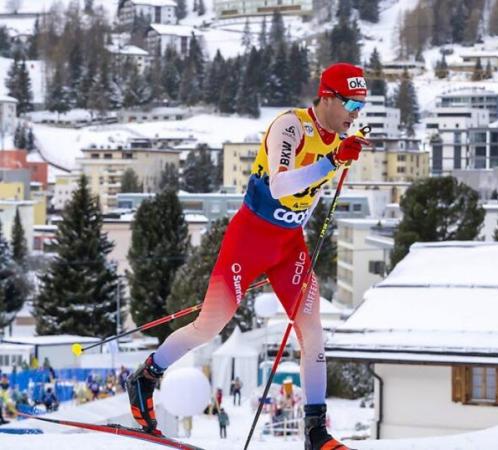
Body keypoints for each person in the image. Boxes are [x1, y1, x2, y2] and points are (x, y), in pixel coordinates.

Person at [127, 62, 370, 450]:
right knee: (209, 327)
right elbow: (279, 183)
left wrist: (338, 160)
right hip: (250, 239)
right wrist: (331, 161)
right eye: (351, 106)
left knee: (313, 332)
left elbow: (313, 193)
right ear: (327, 97)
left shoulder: (338, 139)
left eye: (361, 108)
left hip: (290, 246)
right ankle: (145, 377)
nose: (356, 115)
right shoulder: (290, 127)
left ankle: (315, 432)